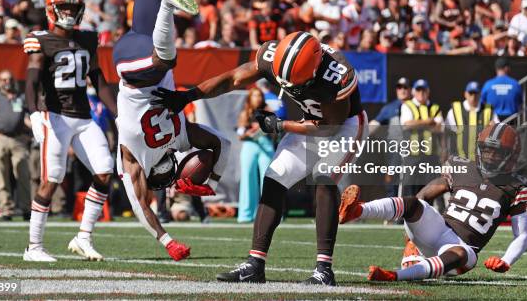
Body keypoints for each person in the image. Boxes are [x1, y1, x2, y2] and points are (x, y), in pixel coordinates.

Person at [78, 0, 231, 262]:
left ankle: (167, 5)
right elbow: (218, 144)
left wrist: (167, 241)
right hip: (144, 45)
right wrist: (208, 181)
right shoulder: (180, 138)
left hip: (135, 69)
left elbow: (143, 204)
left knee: (166, 63)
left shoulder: (134, 159)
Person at [153, 31, 368, 286]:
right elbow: (233, 79)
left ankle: (324, 269)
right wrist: (189, 95)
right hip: (307, 120)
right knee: (274, 178)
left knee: (323, 179)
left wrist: (281, 125)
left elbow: (328, 127)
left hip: (342, 126)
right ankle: (255, 264)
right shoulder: (272, 55)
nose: (288, 87)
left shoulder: (336, 75)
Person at [340, 123, 527, 282]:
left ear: (511, 155)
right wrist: (410, 241)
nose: (490, 155)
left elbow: (523, 236)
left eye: (496, 152)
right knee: (413, 204)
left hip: (465, 249)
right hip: (438, 229)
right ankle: (357, 210)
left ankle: (393, 276)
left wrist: (506, 260)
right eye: (486, 150)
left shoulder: (516, 186)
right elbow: (423, 197)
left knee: (459, 253)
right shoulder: (462, 166)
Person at [22, 0, 118, 262]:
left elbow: (98, 81)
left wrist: (118, 114)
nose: (68, 12)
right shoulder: (40, 39)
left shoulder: (88, 38)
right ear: (52, 10)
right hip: (56, 116)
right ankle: (34, 247)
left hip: (83, 116)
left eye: (73, 7)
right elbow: (31, 80)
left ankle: (83, 237)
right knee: (52, 179)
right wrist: (34, 113)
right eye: (63, 7)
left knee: (104, 170)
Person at [0, 70, 31, 220]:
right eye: (3, 80)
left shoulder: (21, 98)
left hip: (18, 139)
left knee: (22, 172)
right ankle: (6, 208)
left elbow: (29, 118)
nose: (7, 82)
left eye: (9, 79)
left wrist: (31, 133)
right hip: (0, 137)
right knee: (1, 174)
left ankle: (26, 208)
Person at [399, 79, 443, 197]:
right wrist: (428, 121)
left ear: (428, 91)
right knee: (409, 187)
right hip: (413, 154)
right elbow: (407, 124)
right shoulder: (407, 105)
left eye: (423, 90)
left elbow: (439, 128)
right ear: (413, 92)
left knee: (430, 188)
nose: (421, 93)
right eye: (418, 90)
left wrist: (418, 124)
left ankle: (428, 214)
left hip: (431, 155)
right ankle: (405, 213)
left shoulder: (435, 107)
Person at [236, 87, 274, 223]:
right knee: (247, 178)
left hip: (266, 144)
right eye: (254, 95)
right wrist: (247, 133)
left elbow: (274, 131)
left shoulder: (268, 111)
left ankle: (270, 214)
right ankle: (246, 215)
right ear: (250, 98)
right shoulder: (245, 113)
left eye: (259, 95)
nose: (257, 98)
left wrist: (263, 128)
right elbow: (240, 134)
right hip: (249, 144)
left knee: (269, 179)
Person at [369, 77, 412, 198]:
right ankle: (391, 213)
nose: (402, 90)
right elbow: (375, 124)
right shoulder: (389, 108)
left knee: (411, 185)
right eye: (399, 87)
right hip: (394, 153)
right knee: (391, 183)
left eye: (405, 87)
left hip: (415, 152)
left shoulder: (417, 106)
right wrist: (359, 132)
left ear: (410, 90)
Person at [445, 81, 498, 160]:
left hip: (482, 161)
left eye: (476, 94)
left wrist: (494, 128)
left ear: (480, 94)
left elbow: (499, 131)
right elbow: (446, 133)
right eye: (471, 93)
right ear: (465, 94)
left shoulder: (488, 110)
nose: (473, 97)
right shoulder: (455, 110)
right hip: (460, 160)